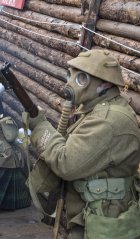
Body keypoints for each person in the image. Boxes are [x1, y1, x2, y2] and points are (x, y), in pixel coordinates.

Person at [28, 50, 140, 238]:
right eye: (70, 75)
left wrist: (40, 127)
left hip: (104, 222)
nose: (70, 83)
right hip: (93, 213)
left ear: (105, 84)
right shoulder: (97, 108)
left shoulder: (108, 120)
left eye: (81, 79)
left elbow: (67, 163)